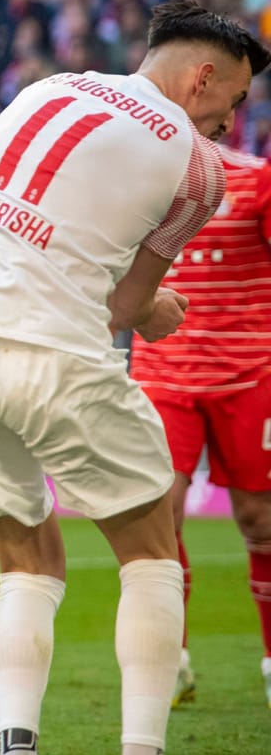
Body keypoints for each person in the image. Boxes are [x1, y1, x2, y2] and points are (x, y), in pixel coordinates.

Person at [0, 0, 269, 755]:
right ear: (202, 77)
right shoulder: (200, 168)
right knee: (151, 553)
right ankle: (141, 748)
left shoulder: (44, 90)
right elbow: (126, 306)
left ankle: (18, 745)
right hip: (54, 353)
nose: (230, 126)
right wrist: (155, 314)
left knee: (27, 562)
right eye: (234, 102)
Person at [128, 142, 271, 710]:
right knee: (159, 512)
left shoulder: (256, 180)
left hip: (251, 371)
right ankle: (171, 662)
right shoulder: (130, 173)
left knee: (260, 520)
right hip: (163, 375)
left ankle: (268, 660)